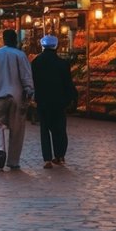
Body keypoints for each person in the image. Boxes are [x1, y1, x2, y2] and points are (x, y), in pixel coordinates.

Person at [0, 28, 34, 171]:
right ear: (16, 40)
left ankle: (1, 148)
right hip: (18, 97)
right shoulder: (20, 55)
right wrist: (30, 91)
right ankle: (13, 161)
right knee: (17, 129)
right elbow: (26, 76)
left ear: (4, 39)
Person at [31, 34, 78, 168]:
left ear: (43, 46)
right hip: (59, 101)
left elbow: (33, 81)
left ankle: (47, 159)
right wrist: (72, 97)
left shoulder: (36, 62)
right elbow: (68, 83)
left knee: (44, 129)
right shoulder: (63, 64)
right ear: (56, 47)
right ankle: (60, 155)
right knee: (60, 129)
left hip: (43, 101)